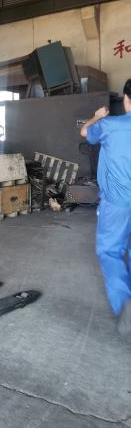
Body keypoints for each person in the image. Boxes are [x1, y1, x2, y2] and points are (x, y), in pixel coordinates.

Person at [80, 79, 131, 337]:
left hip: (117, 204)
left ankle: (124, 304)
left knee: (110, 252)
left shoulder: (110, 125)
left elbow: (85, 133)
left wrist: (97, 116)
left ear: (126, 99)